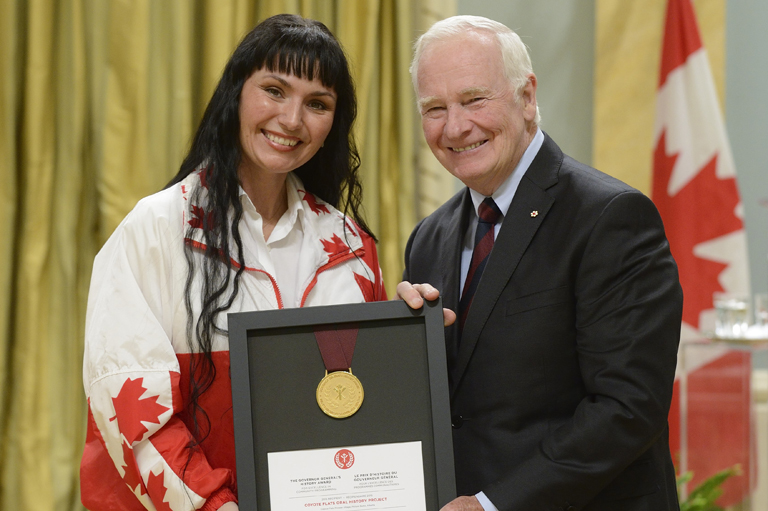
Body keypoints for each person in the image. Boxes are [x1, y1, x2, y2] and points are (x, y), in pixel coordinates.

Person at [80, 14, 385, 511]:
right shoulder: (155, 230)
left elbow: (364, 413)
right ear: (235, 95)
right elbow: (132, 416)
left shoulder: (352, 247)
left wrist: (413, 334)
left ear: (333, 124)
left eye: (317, 104)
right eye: (273, 90)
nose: (291, 119)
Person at [397, 15, 683, 511]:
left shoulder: (611, 217)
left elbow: (628, 409)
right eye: (434, 108)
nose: (455, 126)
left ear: (526, 97)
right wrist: (398, 346)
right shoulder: (428, 238)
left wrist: (492, 504)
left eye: (473, 99)